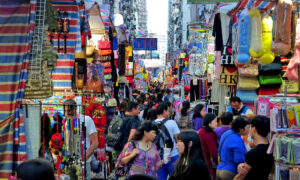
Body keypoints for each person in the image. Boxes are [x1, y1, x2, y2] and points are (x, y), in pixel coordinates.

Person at [63, 99, 98, 180]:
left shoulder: (87, 120)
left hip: (83, 162)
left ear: (75, 109)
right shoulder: (66, 122)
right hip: (70, 162)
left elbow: (95, 143)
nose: (67, 113)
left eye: (69, 110)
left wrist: (84, 159)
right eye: (65, 111)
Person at [234, 116, 274, 180]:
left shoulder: (254, 153)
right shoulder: (271, 149)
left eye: (250, 127)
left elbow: (241, 176)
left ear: (254, 129)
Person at [154, 103, 180, 180]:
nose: (169, 113)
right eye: (168, 111)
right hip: (172, 155)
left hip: (159, 157)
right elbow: (178, 138)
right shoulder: (171, 123)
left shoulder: (152, 124)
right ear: (164, 111)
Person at [198, 113, 218, 180]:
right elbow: (213, 152)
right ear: (209, 123)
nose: (216, 123)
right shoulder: (209, 134)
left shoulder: (201, 131)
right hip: (208, 164)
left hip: (201, 162)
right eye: (215, 121)